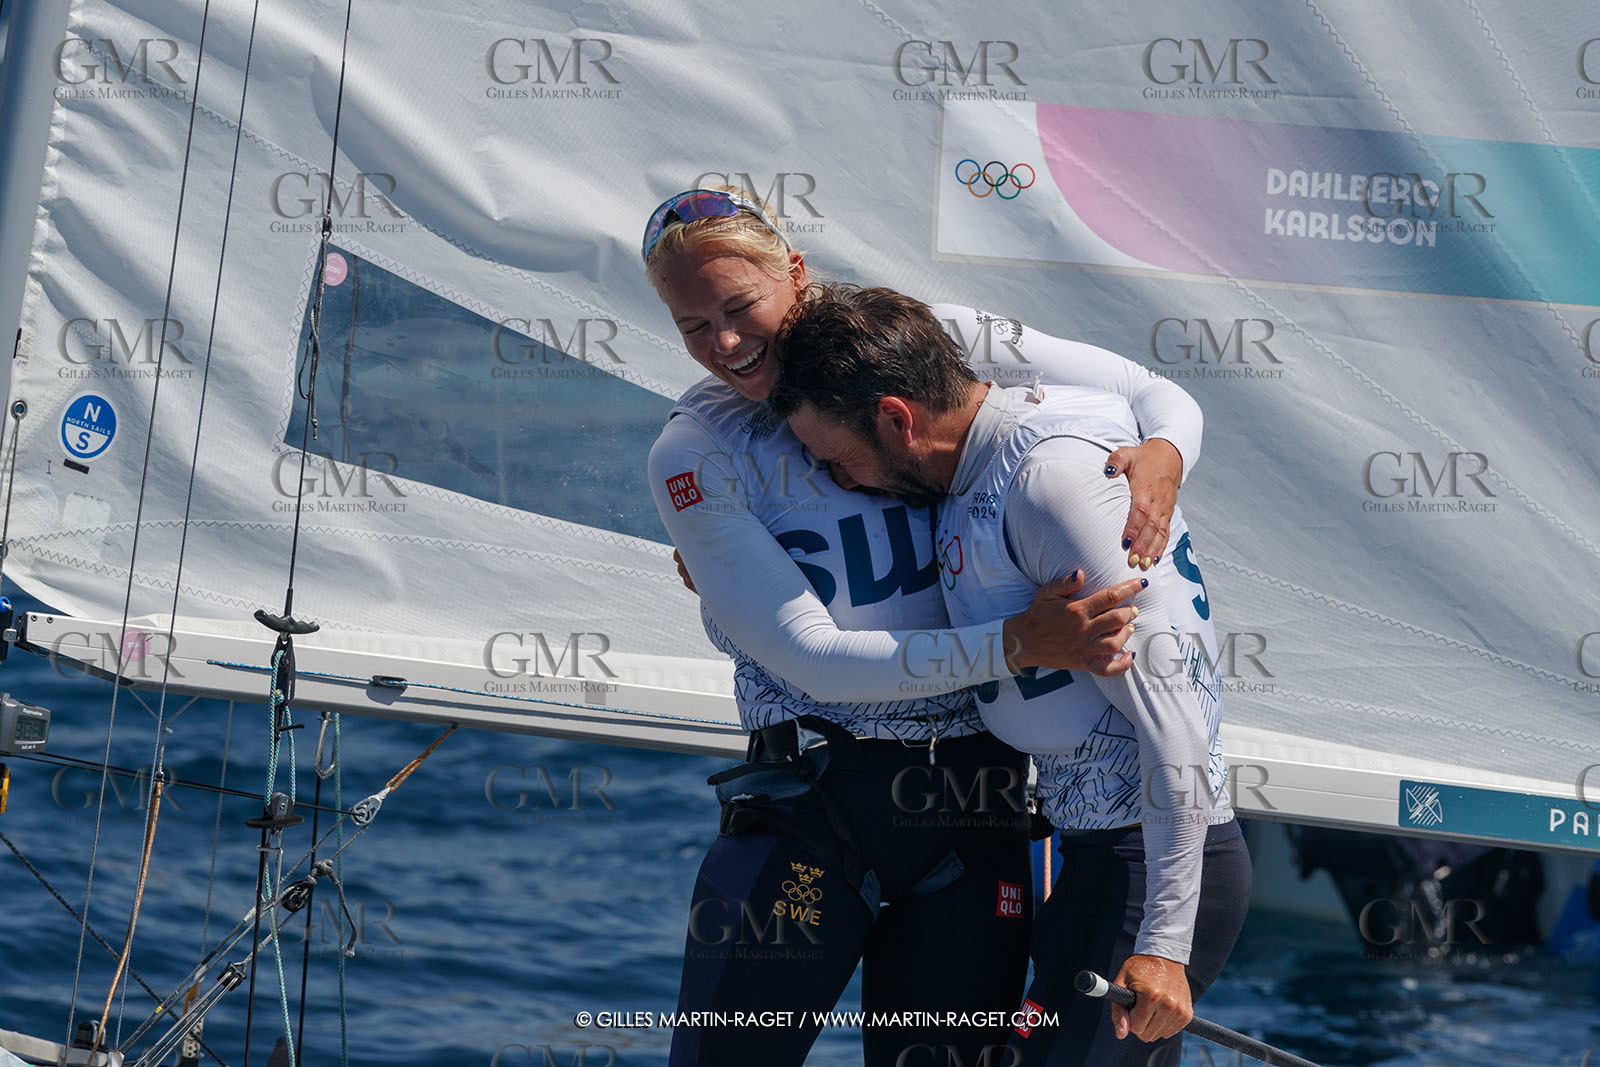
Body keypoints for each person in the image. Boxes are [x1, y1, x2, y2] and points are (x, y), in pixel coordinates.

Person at [641, 188, 1207, 1067]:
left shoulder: (925, 337)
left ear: (796, 271)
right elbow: (811, 657)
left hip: (974, 810)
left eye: (739, 306)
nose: (724, 342)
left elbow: (1147, 390)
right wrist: (1017, 644)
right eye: (692, 326)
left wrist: (1166, 453)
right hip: (815, 805)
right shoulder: (695, 449)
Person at [769, 284, 1252, 1067]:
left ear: (896, 418)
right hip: (1097, 859)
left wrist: (1166, 941)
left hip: (1146, 866)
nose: (842, 481)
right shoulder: (972, 464)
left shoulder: (1050, 480)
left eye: (839, 460)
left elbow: (1178, 721)